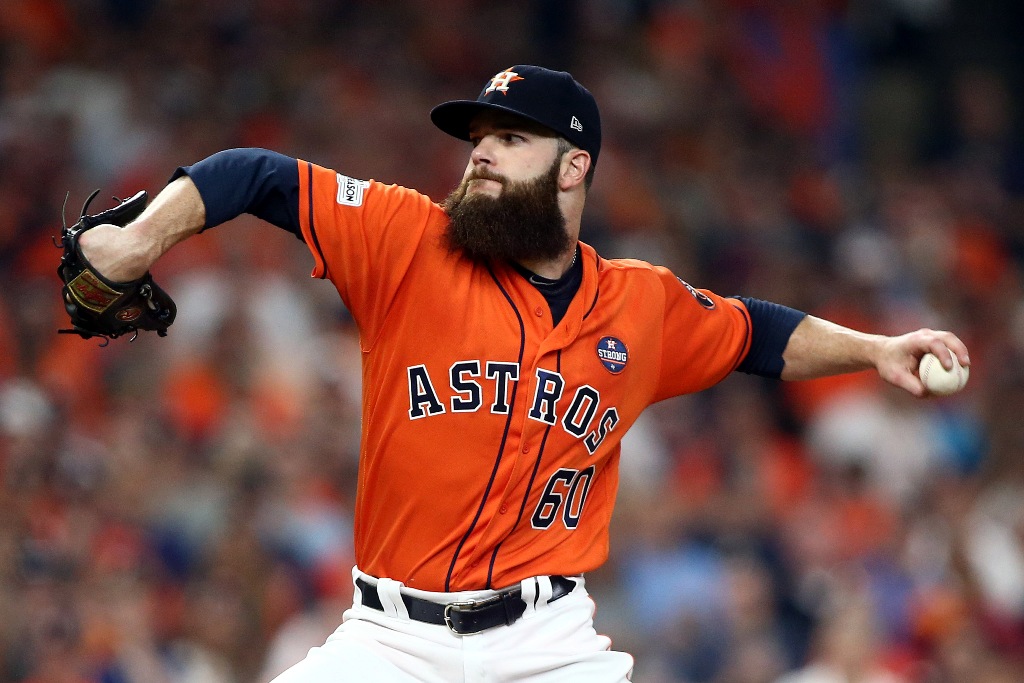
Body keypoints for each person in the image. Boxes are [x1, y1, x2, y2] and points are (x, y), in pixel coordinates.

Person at [76, 65, 970, 682]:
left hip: (549, 643)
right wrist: (141, 237)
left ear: (574, 166)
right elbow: (253, 175)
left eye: (510, 137)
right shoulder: (407, 243)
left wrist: (876, 349)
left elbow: (756, 334)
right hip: (392, 640)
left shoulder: (639, 306)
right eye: (478, 137)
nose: (481, 152)